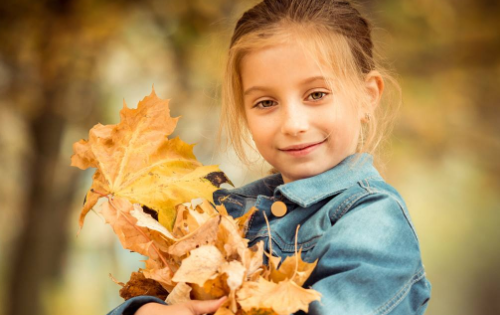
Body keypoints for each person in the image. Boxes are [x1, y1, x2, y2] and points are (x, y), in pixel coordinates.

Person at [107, 0, 432, 314]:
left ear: (367, 96)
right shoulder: (224, 215)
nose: (293, 124)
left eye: (317, 95)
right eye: (266, 103)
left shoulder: (374, 221)